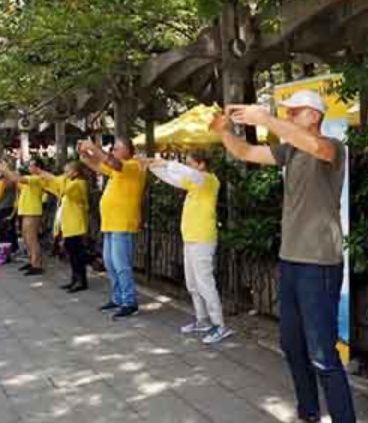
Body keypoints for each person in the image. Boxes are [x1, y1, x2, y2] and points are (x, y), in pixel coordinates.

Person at [210, 90, 356, 423]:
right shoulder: (290, 150)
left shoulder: (334, 147)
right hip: (290, 260)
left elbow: (317, 147)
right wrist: (222, 130)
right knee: (291, 345)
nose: (288, 117)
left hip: (319, 263)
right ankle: (309, 412)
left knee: (322, 354)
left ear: (315, 115)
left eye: (295, 113)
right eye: (286, 113)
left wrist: (268, 119)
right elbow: (245, 150)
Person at [148, 152, 232, 344]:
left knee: (205, 284)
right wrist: (153, 166)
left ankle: (220, 325)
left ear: (202, 165)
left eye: (191, 163)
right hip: (191, 239)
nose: (188, 166)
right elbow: (172, 177)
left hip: (203, 239)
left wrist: (165, 161)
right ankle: (202, 320)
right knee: (193, 284)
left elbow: (186, 172)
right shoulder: (194, 183)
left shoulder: (208, 180)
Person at [78, 137, 146, 320]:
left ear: (129, 151)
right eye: (113, 148)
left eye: (117, 148)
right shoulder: (119, 169)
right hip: (110, 224)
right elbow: (97, 165)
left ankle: (130, 302)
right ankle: (118, 298)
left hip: (123, 224)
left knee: (121, 265)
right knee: (110, 263)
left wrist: (94, 147)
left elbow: (111, 162)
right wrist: (85, 155)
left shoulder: (133, 165)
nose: (113, 151)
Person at [35, 161, 90, 293]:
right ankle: (74, 278)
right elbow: (55, 183)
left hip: (76, 225)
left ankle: (81, 281)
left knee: (77, 254)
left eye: (67, 171)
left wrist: (50, 176)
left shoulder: (79, 183)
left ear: (76, 172)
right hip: (68, 225)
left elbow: (63, 187)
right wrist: (41, 174)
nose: (64, 174)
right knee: (71, 254)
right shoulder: (68, 181)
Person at [0, 159, 45, 276]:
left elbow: (16, 178)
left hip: (33, 212)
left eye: (31, 165)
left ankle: (37, 265)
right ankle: (32, 261)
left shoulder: (37, 178)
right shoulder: (29, 180)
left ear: (37, 168)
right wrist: (5, 172)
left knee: (32, 239)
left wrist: (6, 169)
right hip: (26, 212)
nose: (29, 167)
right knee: (26, 238)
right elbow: (14, 179)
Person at [0, 172, 18, 251]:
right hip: (10, 207)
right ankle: (12, 248)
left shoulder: (3, 181)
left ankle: (1, 250)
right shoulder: (13, 181)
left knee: (1, 230)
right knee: (10, 229)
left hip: (1, 208)